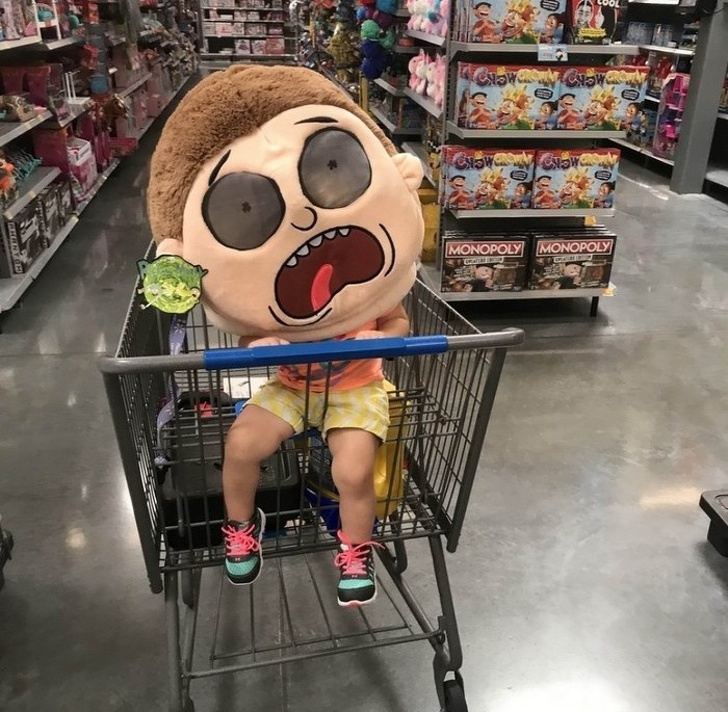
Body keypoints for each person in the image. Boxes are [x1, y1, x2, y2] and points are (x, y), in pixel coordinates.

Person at [146, 65, 425, 608]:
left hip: (358, 388)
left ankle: (356, 549)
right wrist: (259, 346)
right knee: (241, 445)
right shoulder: (270, 306)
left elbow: (396, 321)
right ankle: (241, 527)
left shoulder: (364, 292)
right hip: (292, 388)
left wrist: (382, 340)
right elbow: (252, 338)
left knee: (353, 470)